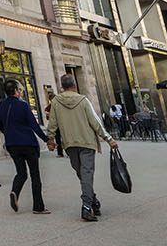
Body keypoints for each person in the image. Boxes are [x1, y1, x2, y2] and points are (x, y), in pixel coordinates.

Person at [45, 74, 118, 223]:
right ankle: (86, 206)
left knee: (82, 173)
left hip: (70, 144)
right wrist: (108, 139)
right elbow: (95, 121)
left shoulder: (56, 103)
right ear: (75, 86)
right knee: (86, 174)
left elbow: (52, 123)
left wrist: (50, 140)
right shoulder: (83, 101)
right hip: (86, 142)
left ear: (62, 87)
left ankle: (93, 201)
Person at [0, 80, 50, 214]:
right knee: (35, 174)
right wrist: (47, 139)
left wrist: (10, 134)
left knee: (21, 172)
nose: (21, 92)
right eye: (20, 90)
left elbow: (1, 125)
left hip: (12, 144)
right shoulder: (23, 105)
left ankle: (15, 192)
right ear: (15, 91)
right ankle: (38, 206)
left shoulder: (1, 105)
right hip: (28, 143)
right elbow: (34, 125)